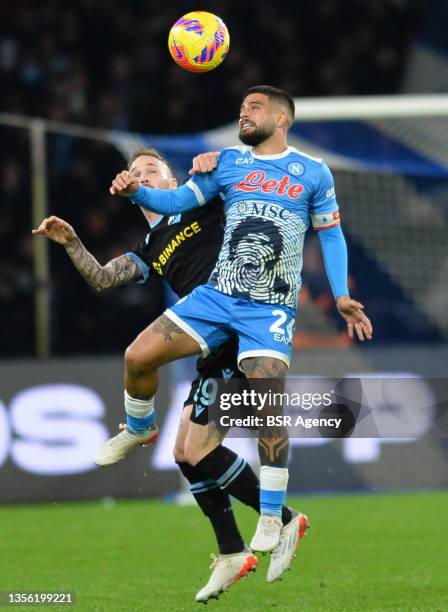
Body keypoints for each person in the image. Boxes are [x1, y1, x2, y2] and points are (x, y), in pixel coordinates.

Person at [32, 148, 309, 602]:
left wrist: (218, 159)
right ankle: (234, 551)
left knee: (193, 444)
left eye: (152, 169)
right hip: (208, 341)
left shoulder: (206, 203)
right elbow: (103, 279)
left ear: (172, 177)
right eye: (136, 170)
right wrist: (71, 243)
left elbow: (252, 183)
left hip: (241, 333)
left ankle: (276, 520)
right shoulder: (149, 246)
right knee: (184, 453)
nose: (142, 174)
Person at [107, 84, 372, 556]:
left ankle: (273, 517)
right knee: (138, 354)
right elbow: (172, 205)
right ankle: (137, 426)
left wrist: (343, 295)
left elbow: (331, 237)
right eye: (242, 108)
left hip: (270, 307)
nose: (244, 114)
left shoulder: (313, 172)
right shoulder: (228, 162)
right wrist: (137, 192)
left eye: (254, 107)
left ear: (282, 118)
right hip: (217, 295)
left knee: (267, 408)